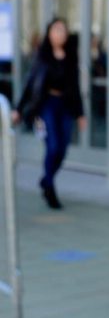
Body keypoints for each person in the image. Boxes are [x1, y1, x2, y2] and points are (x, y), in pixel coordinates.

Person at [11, 17, 86, 209]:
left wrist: (80, 114)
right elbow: (30, 84)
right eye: (56, 30)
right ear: (49, 33)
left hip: (66, 105)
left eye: (63, 30)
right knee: (52, 145)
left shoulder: (70, 57)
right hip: (45, 106)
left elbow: (75, 86)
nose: (60, 34)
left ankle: (46, 179)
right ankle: (50, 188)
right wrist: (19, 109)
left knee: (62, 148)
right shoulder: (42, 56)